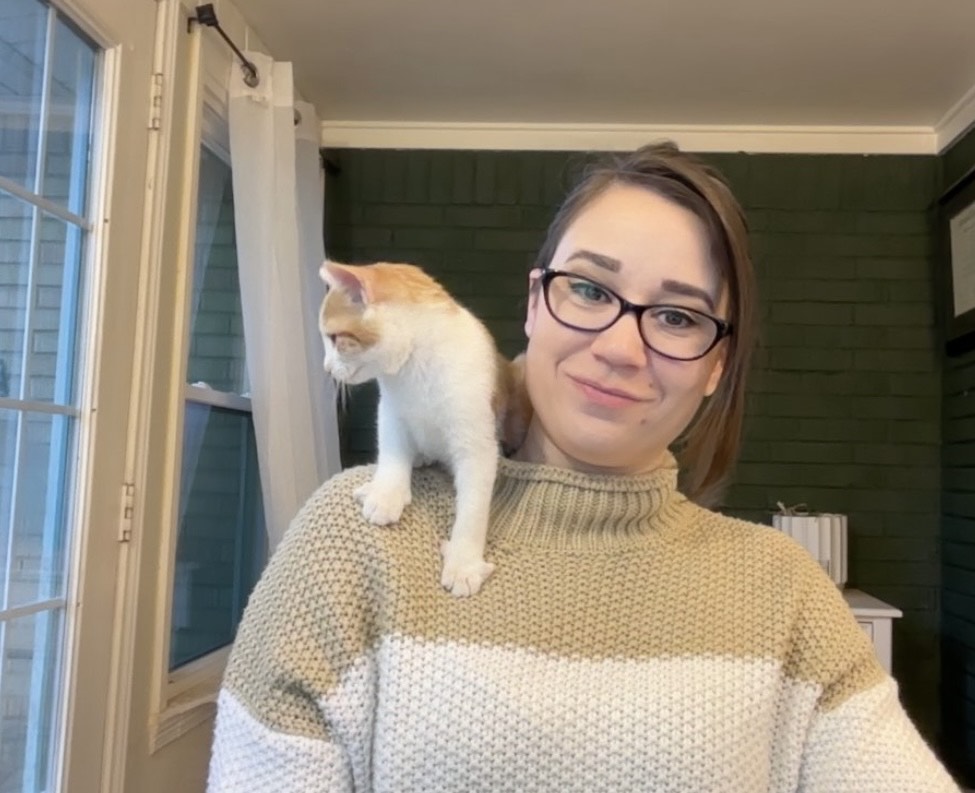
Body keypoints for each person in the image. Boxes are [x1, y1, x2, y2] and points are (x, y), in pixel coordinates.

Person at [207, 142, 960, 792]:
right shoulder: (353, 540)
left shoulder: (783, 591)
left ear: (714, 365)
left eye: (676, 316)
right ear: (534, 304)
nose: (620, 347)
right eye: (590, 290)